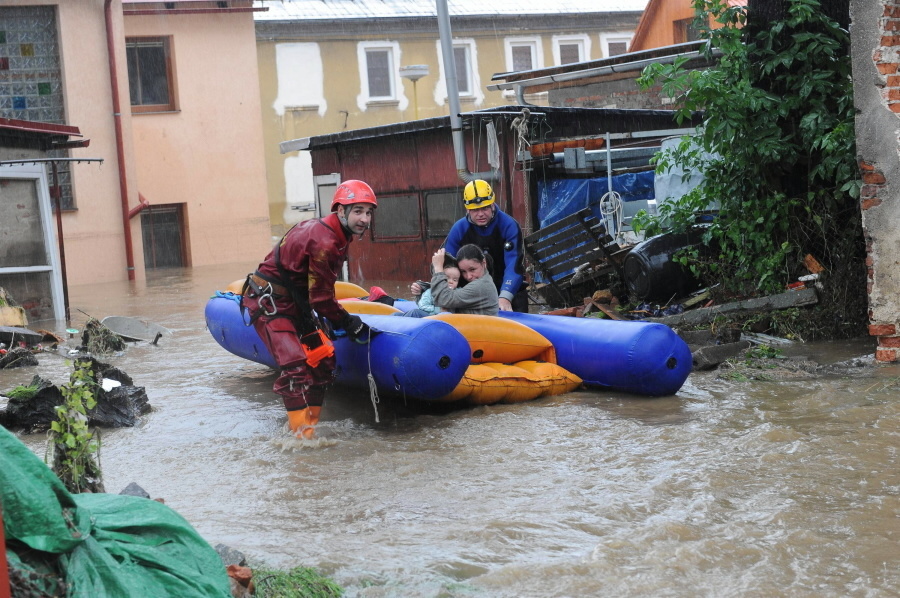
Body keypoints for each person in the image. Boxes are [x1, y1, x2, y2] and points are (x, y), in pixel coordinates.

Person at [240, 180, 378, 440]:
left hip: (295, 302)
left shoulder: (336, 233)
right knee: (294, 367)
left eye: (368, 212)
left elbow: (315, 293)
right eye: (358, 211)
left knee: (323, 361)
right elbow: (321, 299)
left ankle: (309, 427)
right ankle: (301, 441)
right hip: (269, 303)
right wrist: (351, 323)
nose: (364, 219)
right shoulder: (325, 241)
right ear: (340, 211)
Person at [446, 179, 528, 312]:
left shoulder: (508, 225)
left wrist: (505, 296)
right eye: (475, 210)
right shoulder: (458, 229)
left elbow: (514, 265)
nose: (480, 214)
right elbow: (447, 266)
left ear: (493, 205)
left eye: (485, 208)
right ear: (467, 209)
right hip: (471, 292)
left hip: (508, 289)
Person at [428, 245, 499, 316]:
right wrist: (421, 286)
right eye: (463, 271)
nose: (468, 276)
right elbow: (444, 287)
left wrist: (438, 269)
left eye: (472, 269)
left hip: (478, 327)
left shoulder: (482, 286)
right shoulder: (477, 280)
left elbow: (443, 299)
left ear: (484, 263)